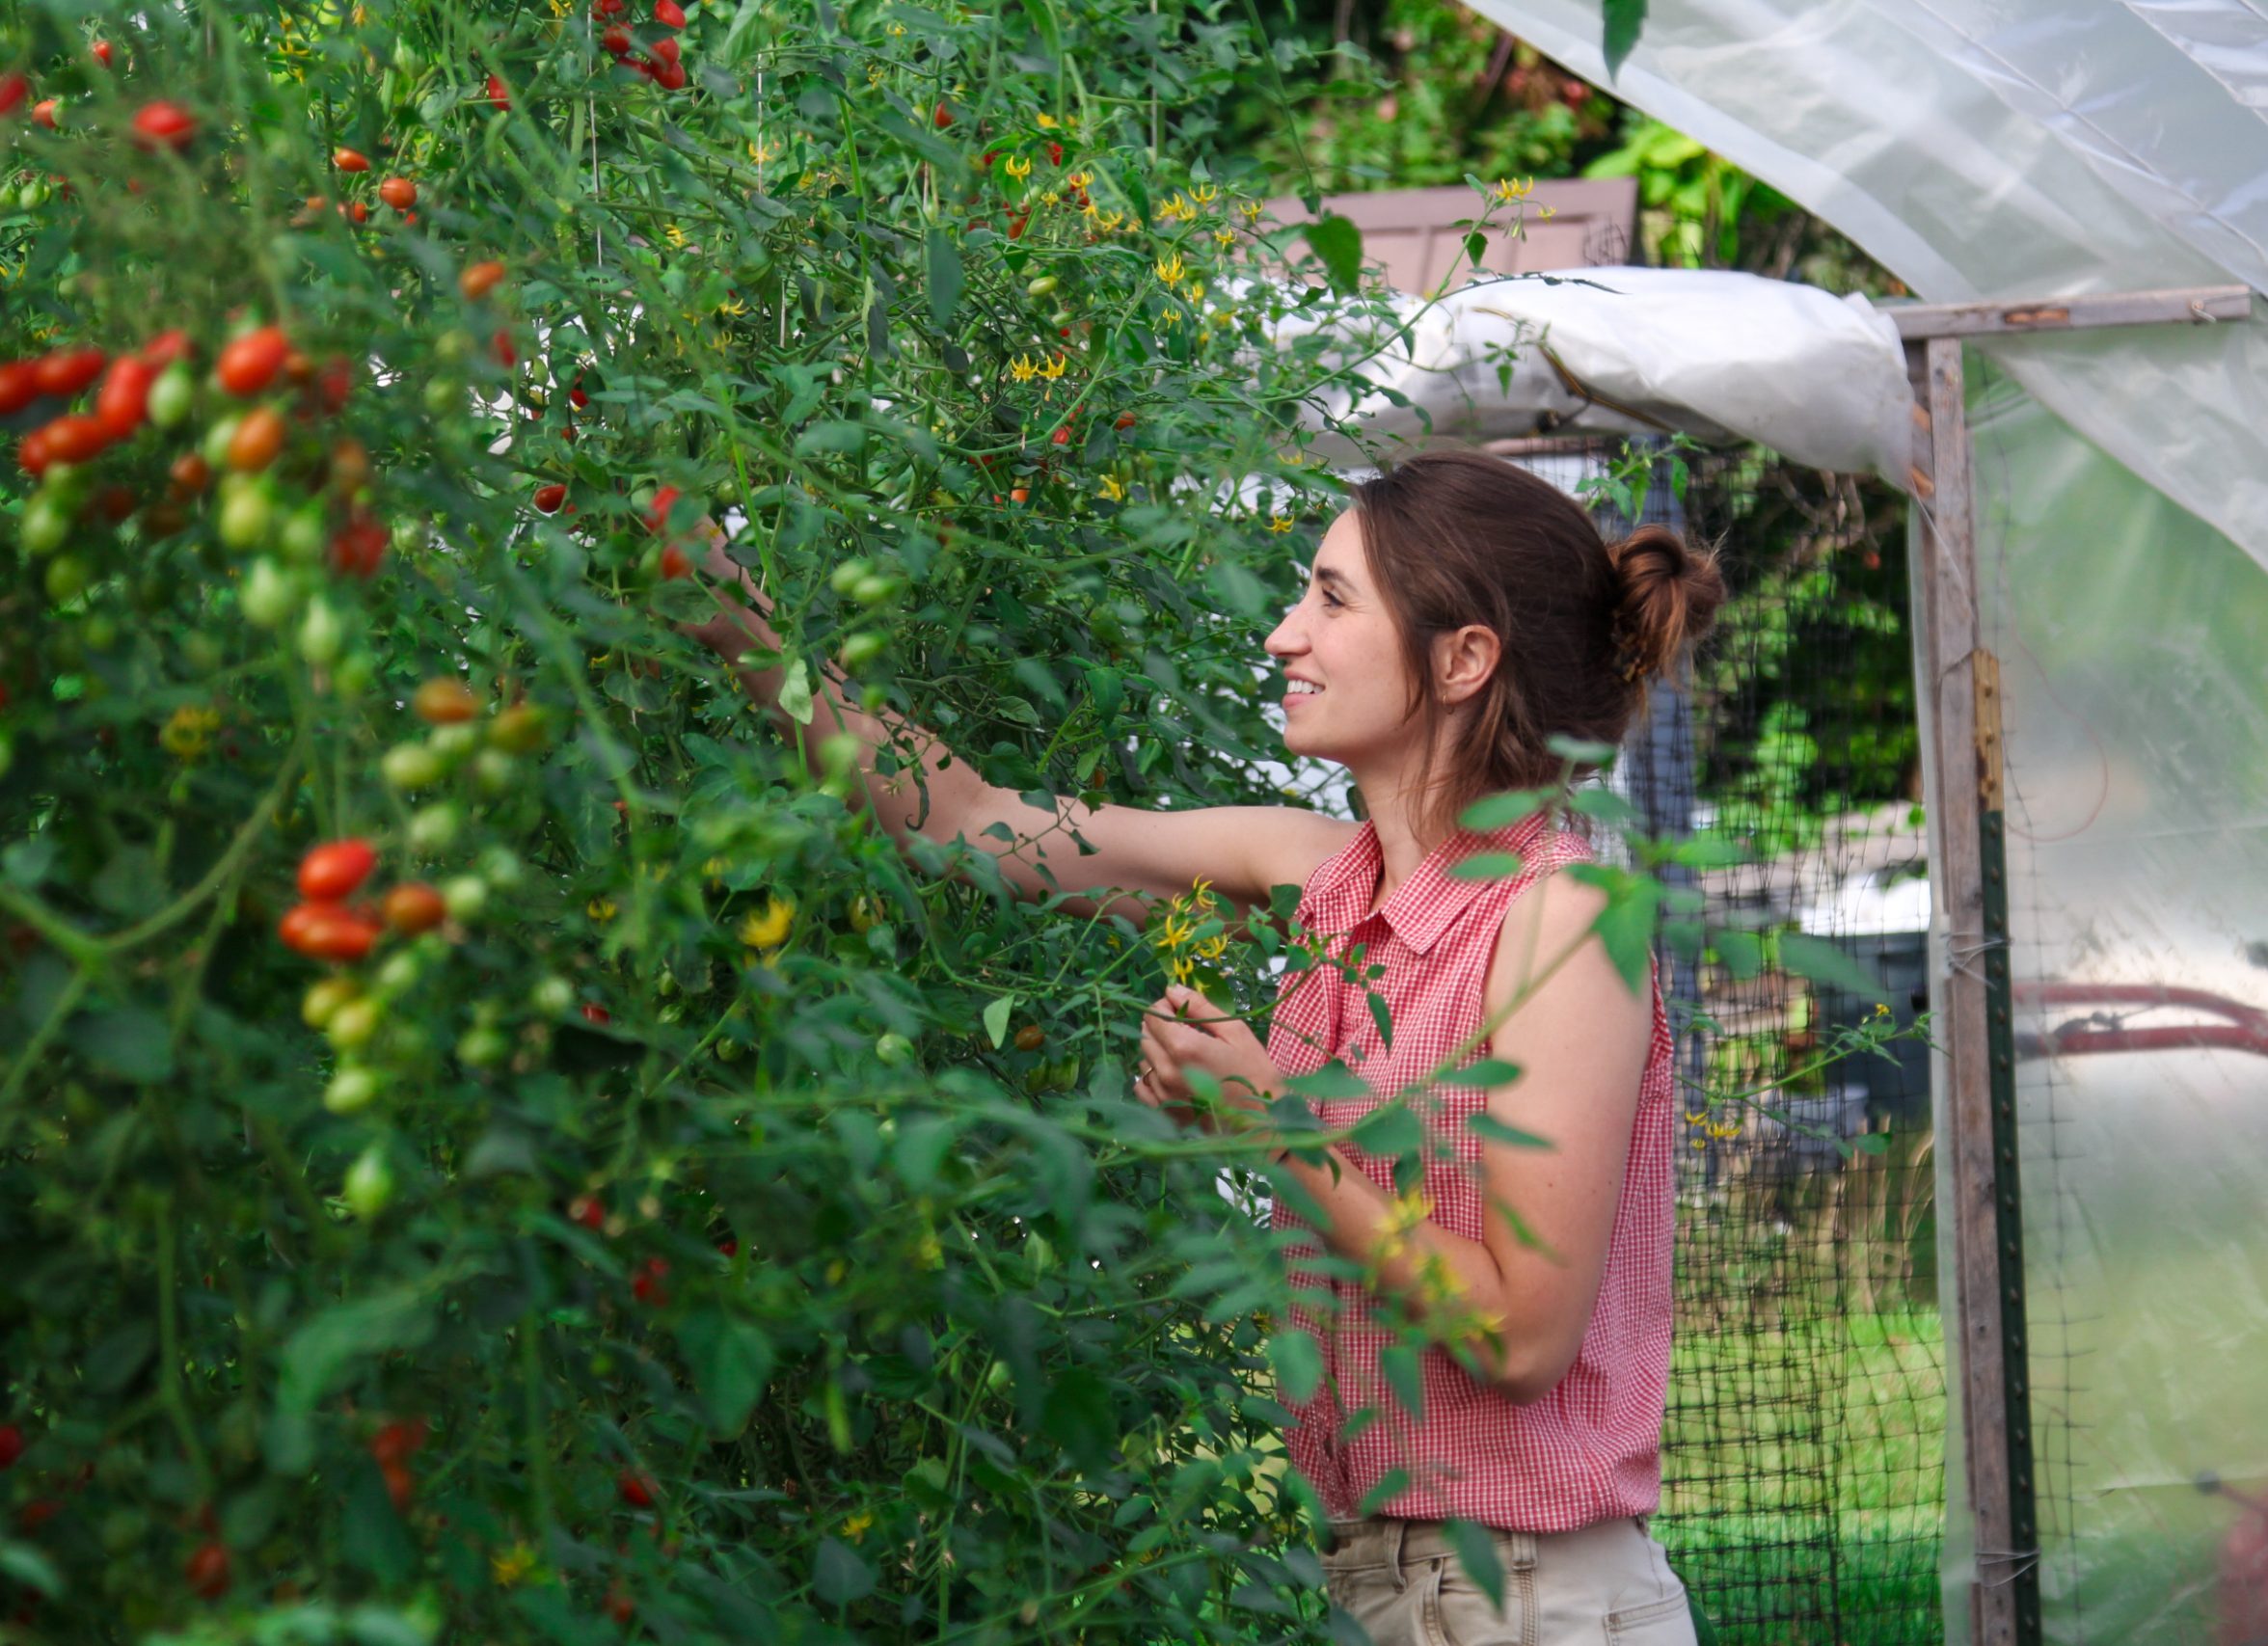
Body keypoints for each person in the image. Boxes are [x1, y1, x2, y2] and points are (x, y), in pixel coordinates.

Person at [680, 447, 1723, 1644]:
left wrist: (1265, 1120)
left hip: (1534, 1603)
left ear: (1463, 658)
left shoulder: (1563, 917)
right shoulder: (1318, 873)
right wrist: (739, 626)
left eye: (1332, 601)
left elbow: (1521, 1333)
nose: (1285, 635)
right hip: (1388, 1587)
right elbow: (968, 824)